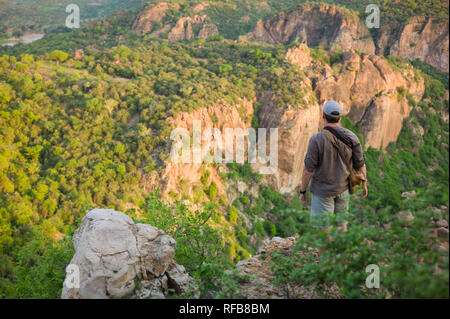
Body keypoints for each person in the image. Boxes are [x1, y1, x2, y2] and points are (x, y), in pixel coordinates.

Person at [299, 101, 367, 231]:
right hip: (343, 189)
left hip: (323, 192)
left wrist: (303, 191)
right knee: (341, 225)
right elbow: (361, 165)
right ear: (340, 117)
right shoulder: (352, 137)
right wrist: (364, 184)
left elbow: (308, 170)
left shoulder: (316, 139)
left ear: (323, 116)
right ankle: (341, 251)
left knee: (324, 229)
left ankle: (326, 252)